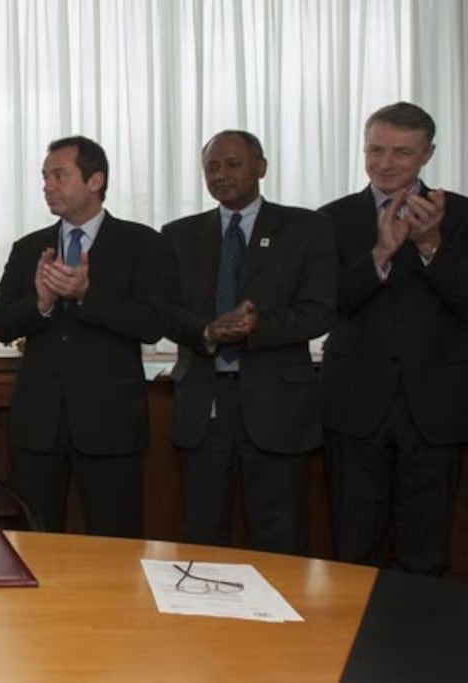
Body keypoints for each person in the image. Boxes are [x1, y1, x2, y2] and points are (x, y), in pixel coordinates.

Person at [158, 130, 336, 554]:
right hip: (205, 402)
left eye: (233, 164)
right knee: (203, 530)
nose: (221, 175)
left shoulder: (306, 228)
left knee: (279, 531)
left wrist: (261, 325)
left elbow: (320, 309)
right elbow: (163, 311)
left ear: (261, 167)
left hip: (276, 403)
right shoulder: (178, 234)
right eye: (212, 167)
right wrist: (207, 331)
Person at [319, 102, 468, 576]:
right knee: (353, 544)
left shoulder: (461, 216)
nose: (385, 163)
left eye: (401, 153)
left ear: (428, 154)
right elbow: (326, 304)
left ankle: (419, 648)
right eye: (375, 150)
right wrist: (381, 253)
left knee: (426, 550)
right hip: (354, 403)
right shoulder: (330, 220)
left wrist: (430, 246)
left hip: (436, 406)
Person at [0, 136, 164, 538]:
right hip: (39, 424)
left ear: (95, 180)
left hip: (109, 424)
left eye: (59, 175)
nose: (48, 185)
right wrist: (43, 302)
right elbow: (0, 325)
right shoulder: (30, 247)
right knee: (34, 543)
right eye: (45, 177)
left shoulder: (142, 244)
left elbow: (153, 323)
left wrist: (87, 295)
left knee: (116, 544)